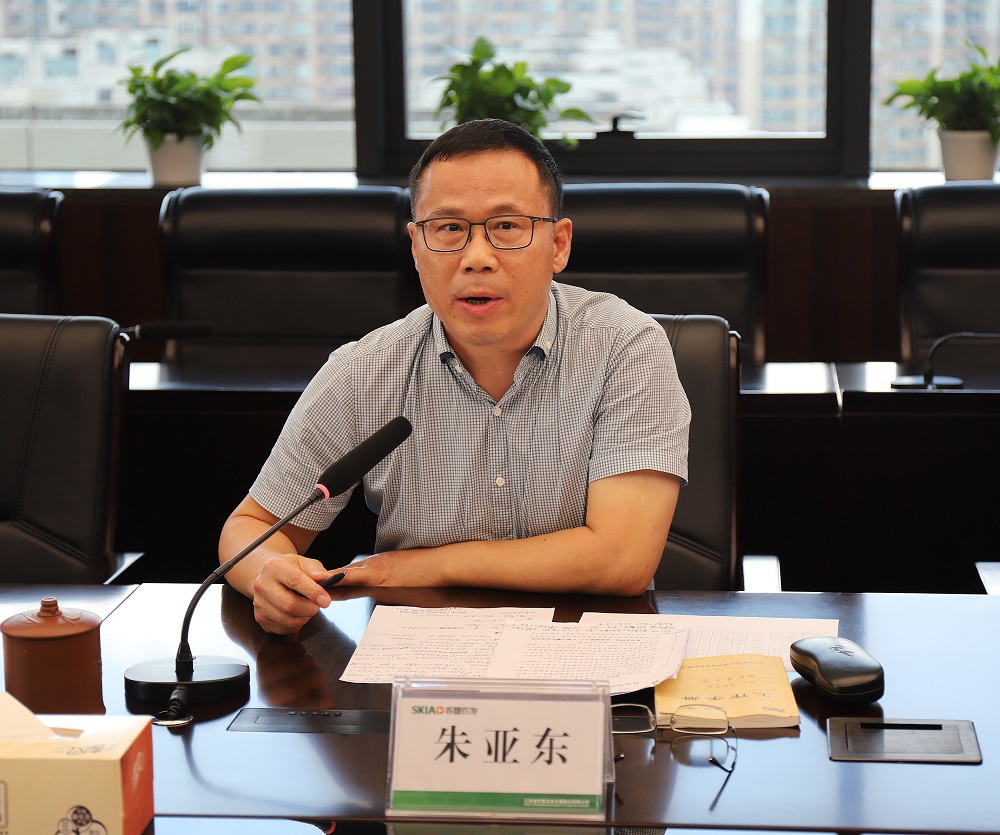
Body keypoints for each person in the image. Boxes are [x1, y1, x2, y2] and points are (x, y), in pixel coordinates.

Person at [220, 118, 691, 634]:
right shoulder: (365, 371)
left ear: (558, 244)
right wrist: (269, 572)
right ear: (415, 246)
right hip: (419, 660)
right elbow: (251, 527)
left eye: (507, 227)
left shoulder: (624, 348)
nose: (477, 259)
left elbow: (621, 561)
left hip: (589, 651)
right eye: (448, 229)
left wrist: (418, 568)